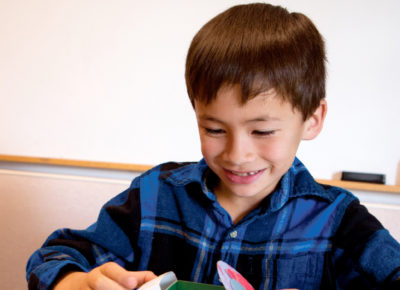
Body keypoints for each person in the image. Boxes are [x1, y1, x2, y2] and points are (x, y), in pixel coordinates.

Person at [26, 3, 400, 290]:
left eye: (263, 131)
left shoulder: (339, 220)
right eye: (214, 129)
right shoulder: (156, 194)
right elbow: (54, 257)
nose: (237, 155)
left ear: (312, 120)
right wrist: (78, 282)